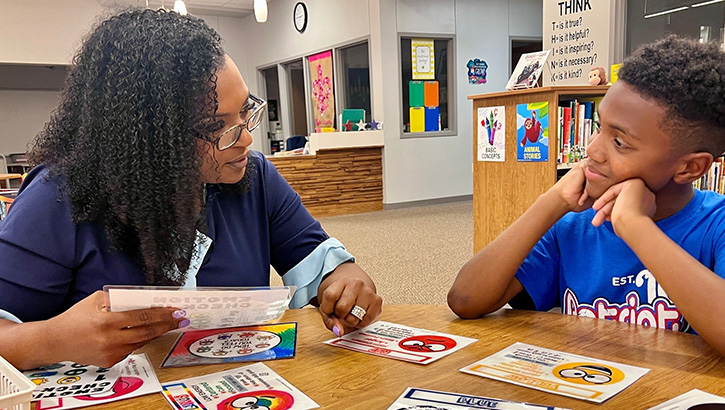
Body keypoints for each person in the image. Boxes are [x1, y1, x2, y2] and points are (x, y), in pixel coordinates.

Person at [0, 8, 382, 370]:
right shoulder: (58, 196)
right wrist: (51, 339)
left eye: (245, 111)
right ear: (146, 138)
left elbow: (326, 267)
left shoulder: (255, 178)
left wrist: (347, 283)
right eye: (217, 126)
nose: (247, 137)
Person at [448, 35, 725, 357]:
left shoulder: (716, 224)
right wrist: (550, 202)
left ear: (690, 167)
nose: (592, 149)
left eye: (620, 143)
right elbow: (465, 300)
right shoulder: (574, 223)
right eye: (598, 128)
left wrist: (635, 227)